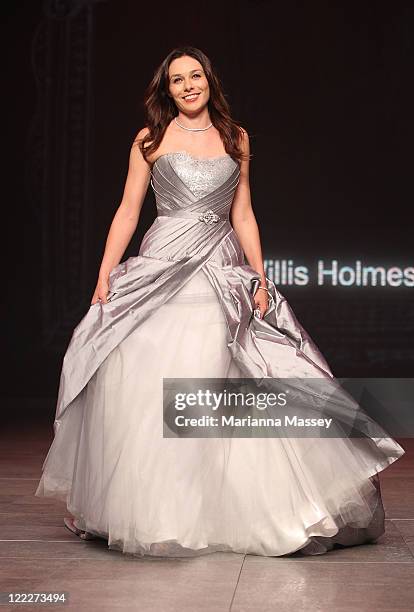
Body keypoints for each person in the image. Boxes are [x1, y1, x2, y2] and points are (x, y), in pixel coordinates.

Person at [35, 46, 405, 557]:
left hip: (220, 267)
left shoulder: (237, 138)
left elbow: (245, 213)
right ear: (167, 90)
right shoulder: (149, 139)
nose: (188, 85)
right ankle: (157, 507)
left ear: (209, 79)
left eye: (195, 75)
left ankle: (239, 506)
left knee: (225, 371)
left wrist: (259, 275)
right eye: (177, 80)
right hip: (163, 263)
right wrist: (104, 273)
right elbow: (127, 210)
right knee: (145, 374)